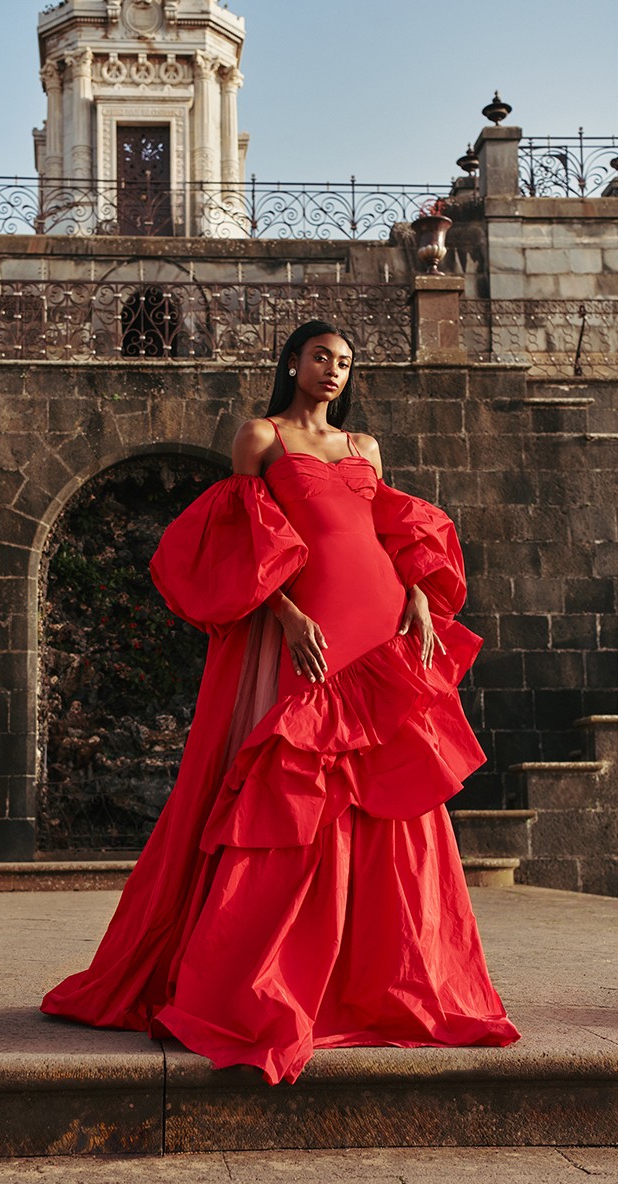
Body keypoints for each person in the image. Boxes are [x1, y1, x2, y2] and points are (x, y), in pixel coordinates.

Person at [41, 319, 520, 1085]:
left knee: (385, 783)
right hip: (312, 621)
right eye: (321, 357)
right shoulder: (259, 437)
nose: (333, 371)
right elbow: (246, 542)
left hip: (382, 620)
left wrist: (422, 601)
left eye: (345, 362)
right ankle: (273, 980)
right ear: (292, 362)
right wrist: (289, 616)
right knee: (301, 778)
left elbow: (389, 531)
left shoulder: (363, 448)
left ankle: (382, 976)